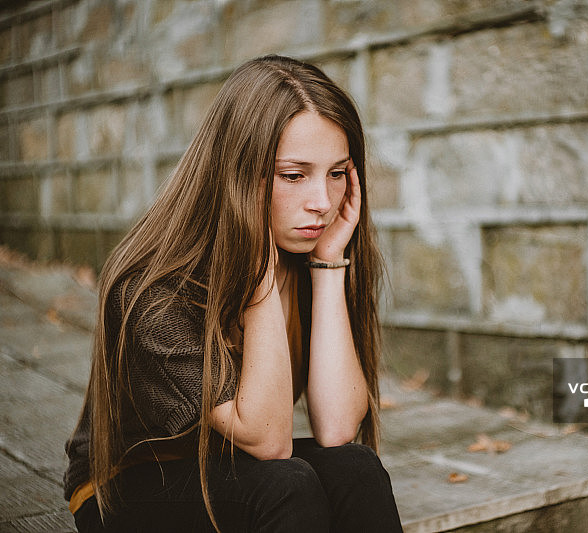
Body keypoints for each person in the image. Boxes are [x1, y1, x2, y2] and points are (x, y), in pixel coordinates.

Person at [63, 54, 403, 532]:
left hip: (234, 462)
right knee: (287, 484)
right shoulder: (153, 287)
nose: (323, 203)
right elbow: (268, 442)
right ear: (238, 174)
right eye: (293, 175)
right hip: (128, 484)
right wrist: (260, 280)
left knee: (357, 469)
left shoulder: (312, 251)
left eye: (337, 173)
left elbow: (338, 428)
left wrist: (328, 267)